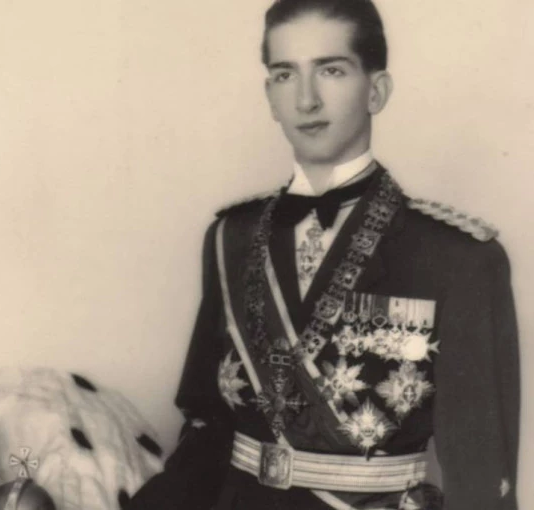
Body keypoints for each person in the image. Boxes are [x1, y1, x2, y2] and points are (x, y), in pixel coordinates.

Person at [128, 1, 520, 509]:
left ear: (376, 91)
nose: (306, 99)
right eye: (285, 74)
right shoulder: (230, 238)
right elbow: (208, 430)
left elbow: (480, 477)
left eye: (331, 71)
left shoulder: (457, 257)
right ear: (270, 96)